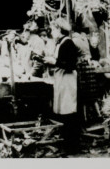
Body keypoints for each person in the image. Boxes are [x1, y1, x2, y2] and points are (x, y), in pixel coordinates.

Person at [43, 17, 79, 154]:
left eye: (52, 29)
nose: (51, 32)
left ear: (59, 29)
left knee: (69, 113)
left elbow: (70, 65)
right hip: (61, 80)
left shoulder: (68, 43)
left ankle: (72, 147)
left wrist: (54, 62)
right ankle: (66, 144)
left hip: (68, 81)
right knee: (63, 114)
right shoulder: (60, 43)